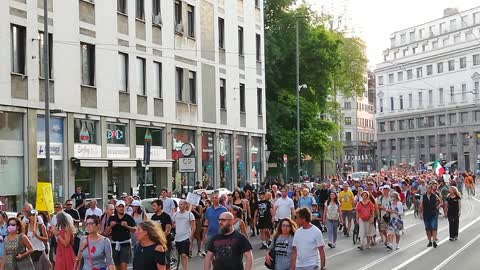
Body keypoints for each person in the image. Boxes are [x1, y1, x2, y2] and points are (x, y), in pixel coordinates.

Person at [105, 200, 137, 270]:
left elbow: (135, 230)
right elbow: (106, 232)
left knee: (124, 266)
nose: (121, 208)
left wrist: (127, 226)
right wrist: (110, 226)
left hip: (125, 244)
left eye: (123, 206)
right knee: (117, 266)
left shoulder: (129, 217)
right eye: (119, 207)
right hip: (114, 244)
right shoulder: (112, 218)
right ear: (116, 208)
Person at [202, 191, 228, 257]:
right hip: (210, 234)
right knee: (209, 253)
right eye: (213, 198)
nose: (214, 199)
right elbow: (206, 222)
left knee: (219, 253)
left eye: (216, 198)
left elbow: (227, 222)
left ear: (219, 199)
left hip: (220, 234)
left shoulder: (224, 209)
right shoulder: (209, 209)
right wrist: (204, 234)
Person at [172, 200, 195, 270]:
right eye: (179, 204)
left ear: (185, 205)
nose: (180, 206)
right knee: (181, 255)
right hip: (178, 237)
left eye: (181, 204)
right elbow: (173, 224)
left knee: (184, 255)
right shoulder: (175, 214)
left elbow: (193, 226)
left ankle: (185, 268)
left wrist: (191, 236)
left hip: (186, 237)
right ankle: (183, 267)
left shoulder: (189, 214)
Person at [150, 199, 173, 268]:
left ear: (160, 206)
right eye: (152, 206)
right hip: (155, 243)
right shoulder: (153, 217)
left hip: (165, 243)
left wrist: (160, 238)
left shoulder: (166, 216)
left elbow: (167, 230)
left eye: (154, 206)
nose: (153, 207)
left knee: (166, 263)